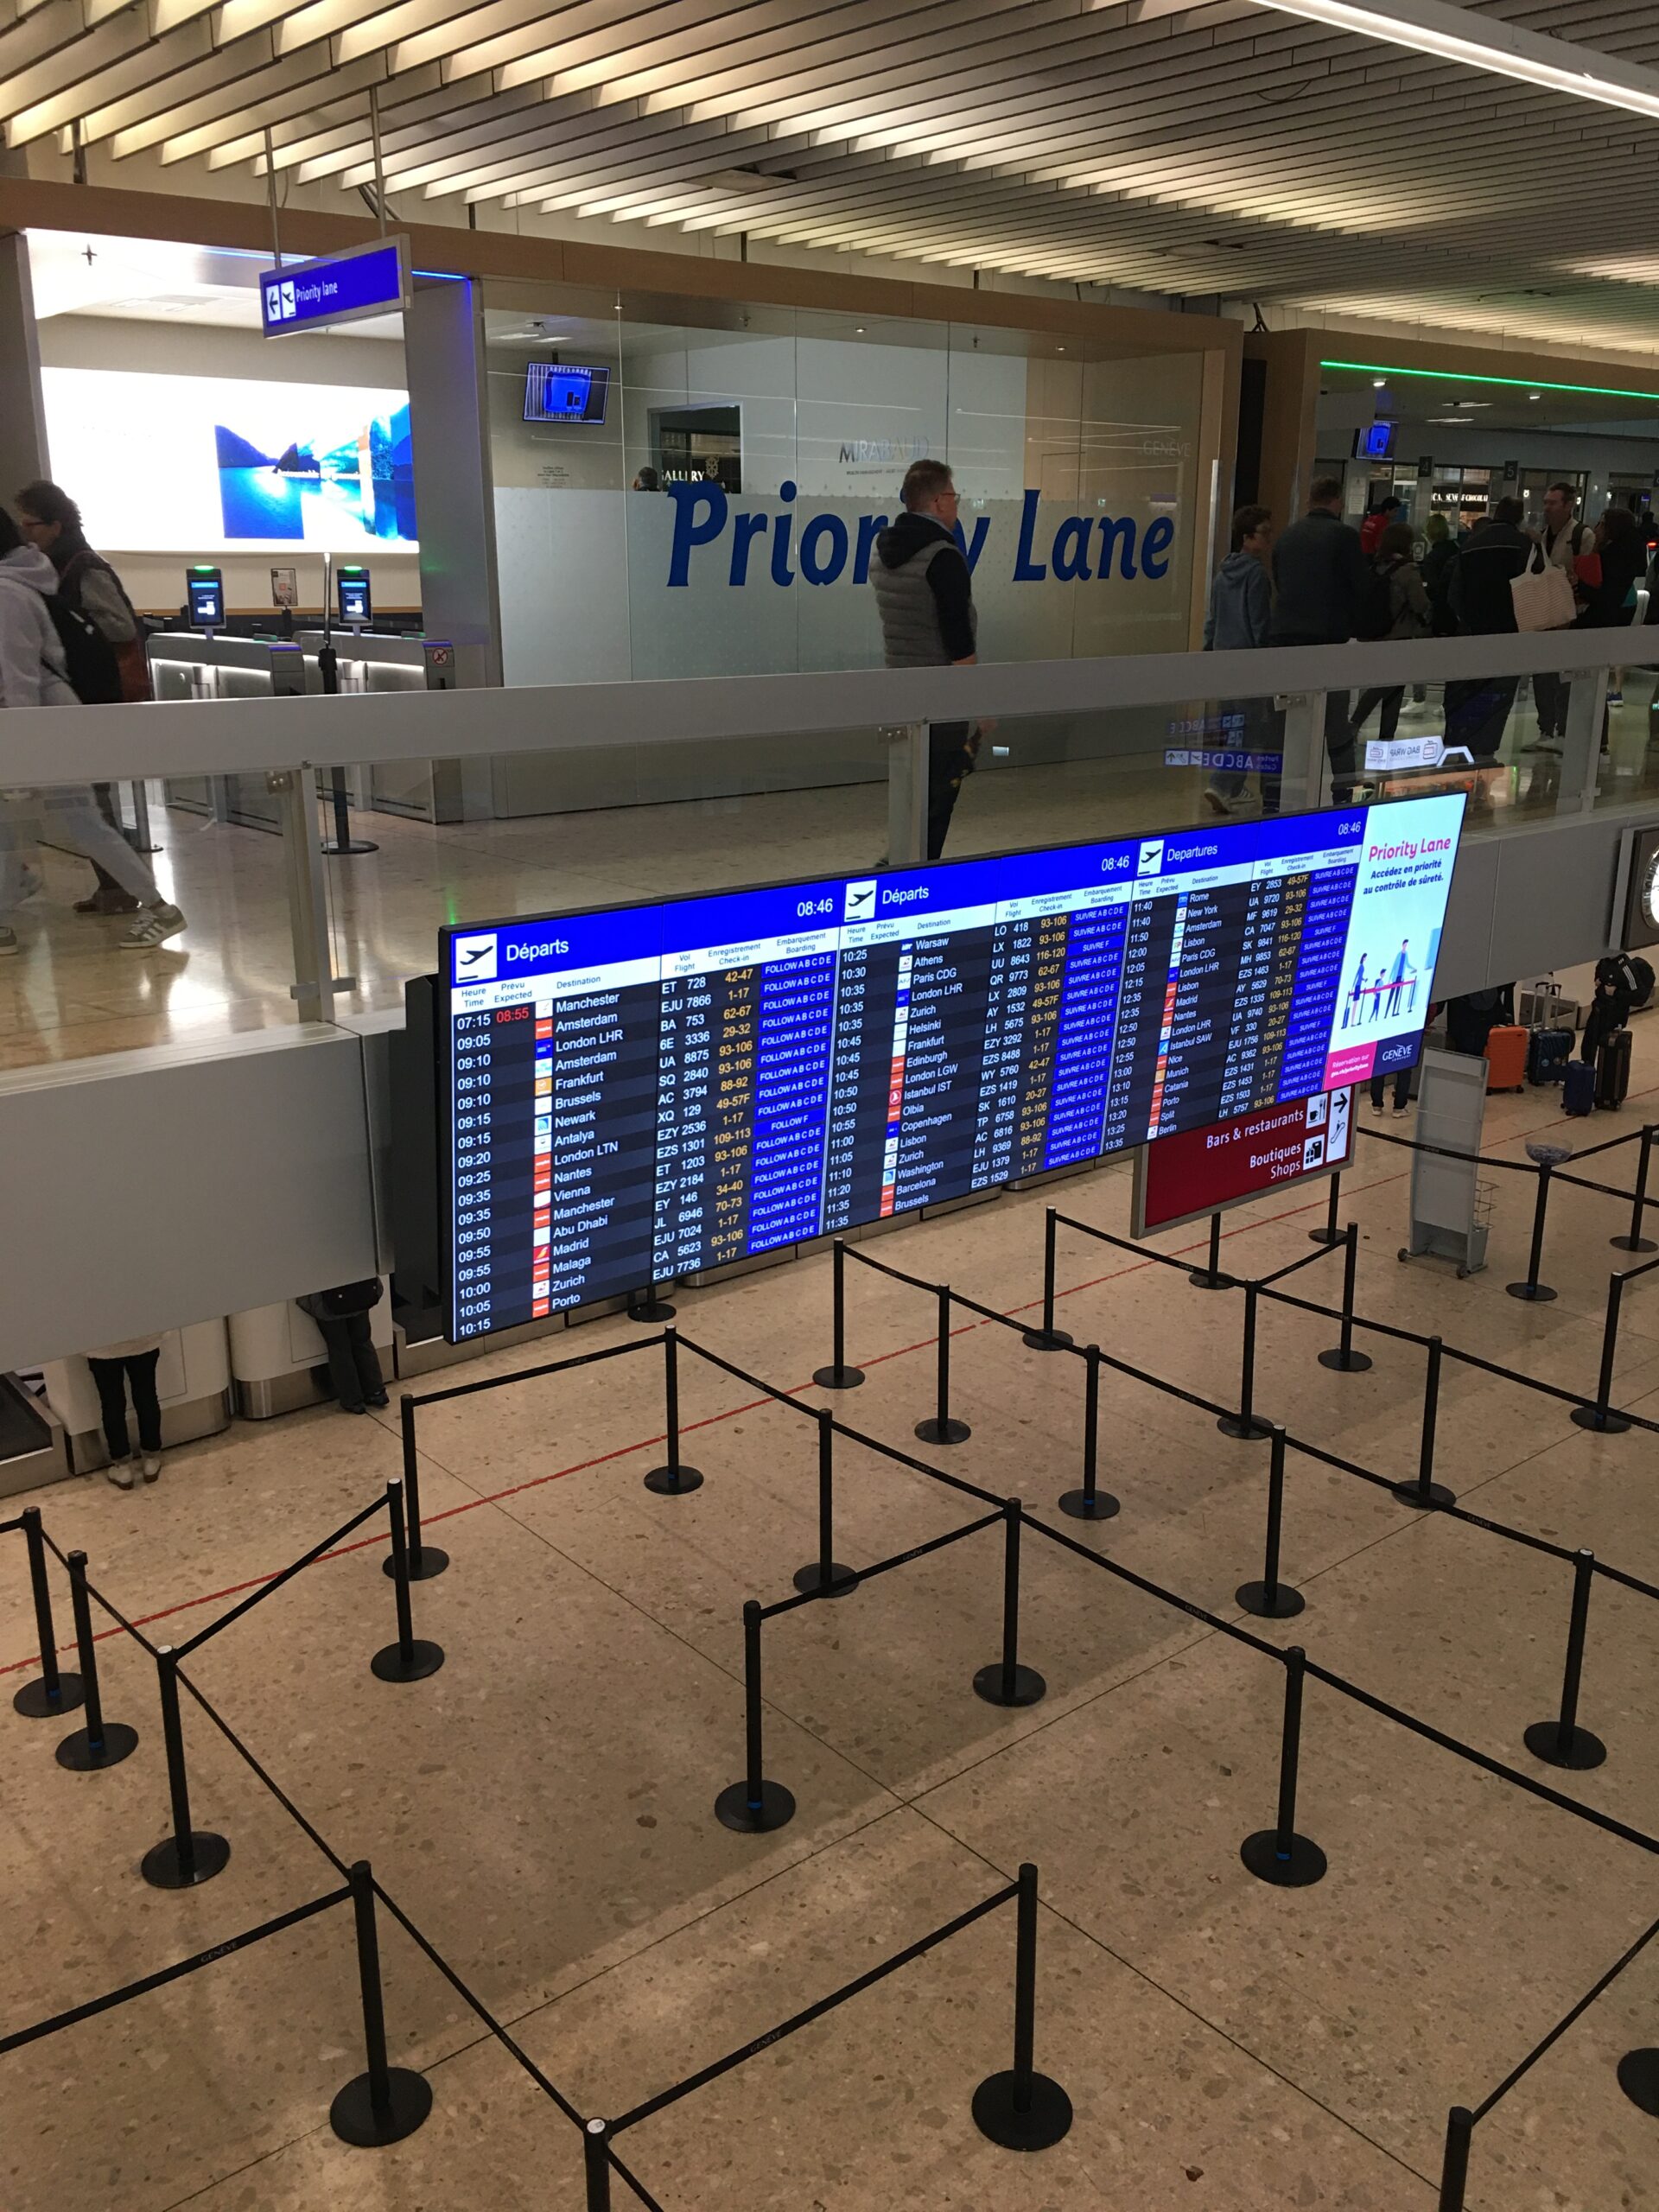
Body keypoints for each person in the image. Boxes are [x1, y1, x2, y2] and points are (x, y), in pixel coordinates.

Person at [0, 507, 186, 956]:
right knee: (81, 820)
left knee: (83, 820)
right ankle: (10, 896)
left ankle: (158, 907)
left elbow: (20, 678)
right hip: (48, 722)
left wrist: (22, 749)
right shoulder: (21, 583)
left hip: (45, 725)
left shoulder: (7, 594)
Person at [16, 479, 152, 915]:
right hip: (84, 692)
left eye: (32, 525)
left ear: (55, 525)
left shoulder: (82, 567)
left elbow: (121, 626)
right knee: (90, 799)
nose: (26, 534)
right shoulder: (54, 568)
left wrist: (71, 621)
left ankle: (123, 889)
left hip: (95, 694)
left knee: (94, 797)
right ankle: (114, 886)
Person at [871, 459, 981, 858]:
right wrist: (978, 707)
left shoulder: (882, 551)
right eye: (954, 496)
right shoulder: (943, 557)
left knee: (909, 801)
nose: (957, 505)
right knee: (936, 806)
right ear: (937, 502)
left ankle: (899, 868)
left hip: (899, 695)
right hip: (941, 702)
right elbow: (958, 643)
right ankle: (914, 881)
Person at [1269, 475, 1370, 800]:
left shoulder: (1287, 536)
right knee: (1335, 718)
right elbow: (1359, 587)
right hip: (1328, 639)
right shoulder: (1344, 535)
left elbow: (1280, 581)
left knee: (1290, 718)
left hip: (1286, 639)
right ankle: (1344, 786)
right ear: (1337, 501)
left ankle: (1279, 788)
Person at [1445, 499, 1531, 764]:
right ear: (1520, 518)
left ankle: (1461, 741)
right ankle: (1485, 749)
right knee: (1500, 691)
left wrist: (1468, 620)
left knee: (1469, 688)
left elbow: (1454, 593)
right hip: (1511, 631)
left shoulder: (1471, 545)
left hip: (1474, 632)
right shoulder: (1524, 545)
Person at [1200, 503, 1273, 818]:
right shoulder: (1256, 575)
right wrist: (1267, 659)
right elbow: (1259, 624)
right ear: (1247, 537)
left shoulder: (1222, 574)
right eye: (1264, 533)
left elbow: (1213, 619)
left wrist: (1208, 652)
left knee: (1233, 725)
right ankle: (1221, 784)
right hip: (1247, 662)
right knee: (1247, 729)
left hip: (1223, 659)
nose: (1268, 539)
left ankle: (1235, 787)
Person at [1529, 482, 1595, 749]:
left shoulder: (1581, 535)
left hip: (1570, 616)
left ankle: (1564, 731)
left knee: (1565, 677)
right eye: (1545, 502)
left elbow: (1587, 579)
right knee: (1543, 674)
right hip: (1545, 613)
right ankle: (1546, 728)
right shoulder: (1544, 536)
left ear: (1569, 505)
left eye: (1552, 503)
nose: (1547, 508)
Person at [1352, 522, 1431, 744]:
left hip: (1373, 635)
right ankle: (1359, 725)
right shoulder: (1407, 571)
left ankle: (1385, 734)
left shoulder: (1374, 567)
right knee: (1387, 685)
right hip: (1398, 636)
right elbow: (1420, 604)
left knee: (1392, 684)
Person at [297, 1281, 389, 1415]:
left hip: (328, 1302)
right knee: (362, 1341)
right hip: (360, 1292)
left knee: (340, 1348)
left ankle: (353, 1399)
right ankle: (376, 1391)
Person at [86, 1332, 164, 1488]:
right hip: (143, 1340)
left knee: (112, 1403)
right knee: (146, 1396)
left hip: (101, 1346)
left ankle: (122, 1468)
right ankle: (151, 1460)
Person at [1580, 953, 1635, 1066]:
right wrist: (1597, 980)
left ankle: (1607, 1072)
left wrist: (1616, 992)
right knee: (1589, 1040)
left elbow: (1637, 994)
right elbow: (1598, 973)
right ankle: (1587, 1069)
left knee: (1609, 1045)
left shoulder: (1626, 966)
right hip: (1599, 1008)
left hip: (1615, 1012)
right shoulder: (1603, 961)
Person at [1421, 512, 1459, 637]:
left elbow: (1434, 586)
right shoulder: (1457, 550)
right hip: (1457, 607)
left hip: (1441, 610)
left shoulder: (1432, 558)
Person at [1359, 493, 1402, 558]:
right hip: (1372, 556)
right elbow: (1379, 544)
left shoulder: (1370, 519)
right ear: (1387, 510)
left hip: (1361, 554)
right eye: (1395, 511)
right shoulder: (1383, 523)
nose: (1396, 514)